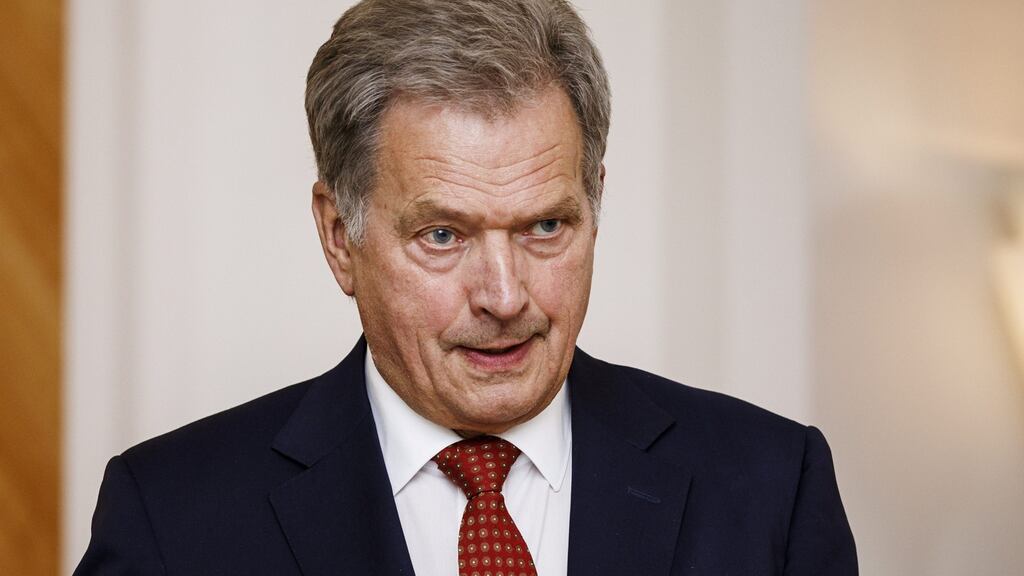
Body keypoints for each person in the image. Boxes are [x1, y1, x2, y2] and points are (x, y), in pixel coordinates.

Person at [75, 0, 857, 574]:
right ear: (338, 236)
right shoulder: (173, 521)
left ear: (595, 203)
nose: (506, 295)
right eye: (443, 235)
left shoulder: (768, 490)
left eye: (545, 227)